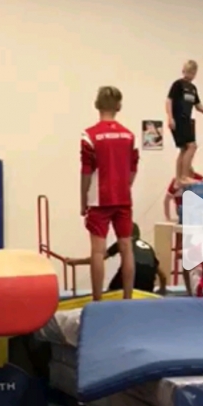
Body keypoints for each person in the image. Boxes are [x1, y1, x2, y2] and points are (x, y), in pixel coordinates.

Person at [81, 86, 139, 301]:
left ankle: (97, 300)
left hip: (99, 199)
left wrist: (83, 199)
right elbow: (133, 168)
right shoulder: (129, 135)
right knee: (126, 247)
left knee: (98, 250)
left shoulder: (89, 135)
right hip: (123, 197)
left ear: (97, 105)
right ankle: (128, 298)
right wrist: (125, 186)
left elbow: (86, 171)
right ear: (119, 106)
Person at [166, 60, 203, 187]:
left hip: (187, 120)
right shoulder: (178, 84)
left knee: (184, 149)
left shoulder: (193, 89)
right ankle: (184, 177)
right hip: (178, 119)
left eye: (192, 72)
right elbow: (169, 101)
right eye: (188, 71)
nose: (190, 74)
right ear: (183, 71)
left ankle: (179, 179)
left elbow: (199, 106)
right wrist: (170, 117)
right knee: (192, 146)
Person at [67, 223, 167, 295]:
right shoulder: (148, 247)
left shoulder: (124, 242)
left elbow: (99, 258)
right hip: (148, 281)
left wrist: (76, 261)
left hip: (133, 271)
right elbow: (163, 276)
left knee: (111, 292)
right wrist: (162, 290)